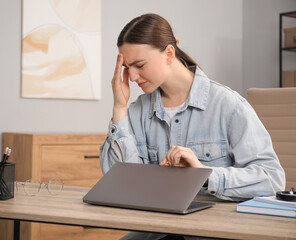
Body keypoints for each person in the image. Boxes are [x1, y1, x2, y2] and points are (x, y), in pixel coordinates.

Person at [100, 13, 285, 240]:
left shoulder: (228, 105)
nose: (132, 76)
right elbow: (117, 183)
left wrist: (205, 175)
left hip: (213, 232)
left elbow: (272, 178)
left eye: (139, 65)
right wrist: (119, 107)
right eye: (128, 68)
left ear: (169, 53)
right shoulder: (137, 111)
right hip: (157, 230)